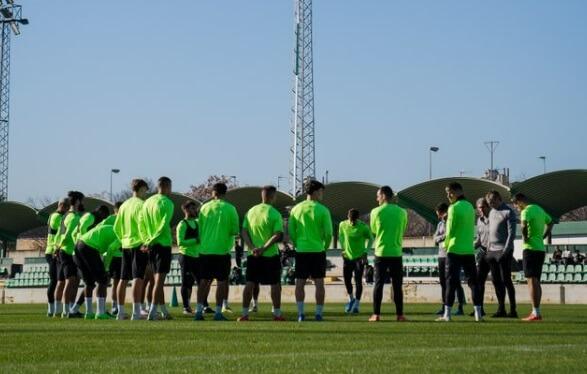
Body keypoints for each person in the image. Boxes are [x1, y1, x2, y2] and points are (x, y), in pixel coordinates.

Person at [436, 183, 483, 322]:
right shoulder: (469, 206)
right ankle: (478, 315)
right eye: (447, 193)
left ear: (458, 192)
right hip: (468, 250)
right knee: (473, 283)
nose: (448, 195)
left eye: (450, 192)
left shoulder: (453, 208)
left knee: (451, 282)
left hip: (454, 249)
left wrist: (445, 244)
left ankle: (447, 315)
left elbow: (450, 231)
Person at [237, 186, 285, 322]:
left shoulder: (251, 211)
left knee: (250, 283)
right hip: (270, 254)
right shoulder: (275, 213)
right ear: (273, 196)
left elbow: (244, 231)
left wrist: (252, 247)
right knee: (275, 284)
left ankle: (245, 314)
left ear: (262, 195)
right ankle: (276, 314)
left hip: (253, 255)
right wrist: (263, 248)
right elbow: (277, 234)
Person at [288, 180, 333, 322]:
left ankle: (301, 314)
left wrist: (297, 244)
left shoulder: (296, 209)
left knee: (300, 283)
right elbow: (329, 233)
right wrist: (324, 247)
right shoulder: (323, 210)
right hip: (318, 250)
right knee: (319, 283)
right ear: (314, 192)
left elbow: (291, 231)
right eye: (320, 191)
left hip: (301, 250)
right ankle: (318, 314)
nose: (322, 194)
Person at [194, 182, 239, 321]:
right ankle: (218, 312)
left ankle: (199, 312)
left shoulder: (203, 208)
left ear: (213, 193)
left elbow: (199, 229)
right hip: (222, 251)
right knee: (221, 282)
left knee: (203, 282)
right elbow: (234, 231)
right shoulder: (231, 209)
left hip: (205, 250)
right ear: (225, 193)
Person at [512, 193, 554, 321]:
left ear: (519, 202)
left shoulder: (526, 211)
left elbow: (523, 225)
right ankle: (537, 311)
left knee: (531, 280)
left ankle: (535, 313)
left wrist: (525, 238)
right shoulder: (539, 209)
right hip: (540, 249)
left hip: (530, 249)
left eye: (515, 205)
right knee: (536, 280)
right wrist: (545, 235)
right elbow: (551, 222)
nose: (516, 208)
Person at [369, 186, 408, 322]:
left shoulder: (375, 211)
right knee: (397, 285)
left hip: (381, 252)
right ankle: (400, 314)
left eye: (378, 195)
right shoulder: (402, 212)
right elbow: (403, 229)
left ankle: (376, 314)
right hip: (396, 252)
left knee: (378, 284)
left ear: (384, 195)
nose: (377, 198)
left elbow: (374, 230)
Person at [113, 179, 149, 320]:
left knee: (123, 278)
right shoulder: (142, 204)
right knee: (138, 278)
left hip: (126, 244)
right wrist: (145, 241)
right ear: (141, 188)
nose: (146, 192)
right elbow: (142, 224)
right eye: (146, 189)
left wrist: (123, 240)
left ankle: (120, 312)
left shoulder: (124, 205)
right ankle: (136, 311)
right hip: (138, 244)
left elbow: (116, 227)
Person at [140, 176, 175, 321]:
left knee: (155, 281)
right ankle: (153, 312)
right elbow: (163, 224)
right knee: (159, 280)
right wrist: (152, 240)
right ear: (167, 187)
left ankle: (164, 311)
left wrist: (145, 241)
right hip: (161, 245)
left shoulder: (147, 202)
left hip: (150, 245)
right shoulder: (167, 202)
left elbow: (141, 223)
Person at [70, 204, 111, 316]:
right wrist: (84, 242)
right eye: (104, 217)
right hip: (85, 249)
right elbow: (82, 230)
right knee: (101, 280)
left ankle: (77, 310)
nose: (103, 220)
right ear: (101, 213)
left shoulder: (87, 217)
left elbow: (74, 233)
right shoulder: (90, 217)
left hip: (79, 250)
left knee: (90, 283)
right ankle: (99, 311)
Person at [75, 222, 120, 320]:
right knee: (103, 280)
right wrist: (106, 269)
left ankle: (89, 313)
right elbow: (111, 249)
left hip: (79, 244)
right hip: (89, 247)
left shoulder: (111, 227)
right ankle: (100, 312)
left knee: (89, 282)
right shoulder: (122, 234)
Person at [485, 190, 518, 318]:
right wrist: (488, 247)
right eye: (489, 202)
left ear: (499, 199)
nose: (491, 204)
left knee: (506, 280)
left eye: (493, 201)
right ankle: (501, 308)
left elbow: (512, 233)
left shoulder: (508, 212)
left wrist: (506, 250)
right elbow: (489, 232)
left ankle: (513, 310)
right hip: (492, 250)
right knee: (496, 281)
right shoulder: (492, 212)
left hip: (503, 250)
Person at [55, 191, 85, 318]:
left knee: (71, 281)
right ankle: (66, 310)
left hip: (64, 251)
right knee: (70, 281)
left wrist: (57, 246)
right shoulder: (74, 218)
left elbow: (59, 233)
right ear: (77, 201)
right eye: (81, 201)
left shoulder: (66, 216)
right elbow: (68, 235)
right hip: (68, 252)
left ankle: (69, 309)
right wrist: (60, 246)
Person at [433, 203, 465, 316]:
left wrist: (444, 237)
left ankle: (460, 307)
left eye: (440, 214)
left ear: (445, 212)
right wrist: (443, 236)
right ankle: (444, 306)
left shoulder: (453, 221)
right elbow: (435, 238)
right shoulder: (440, 224)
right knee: (443, 282)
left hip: (452, 254)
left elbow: (454, 235)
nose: (439, 217)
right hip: (441, 256)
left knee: (455, 282)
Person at [338, 208, 372, 314]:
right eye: (350, 220)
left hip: (359, 258)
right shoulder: (342, 225)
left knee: (358, 281)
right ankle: (351, 299)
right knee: (347, 280)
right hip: (347, 258)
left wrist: (366, 252)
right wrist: (343, 249)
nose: (352, 222)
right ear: (348, 217)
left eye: (354, 220)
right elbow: (341, 237)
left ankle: (357, 304)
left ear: (357, 218)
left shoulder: (363, 227)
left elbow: (371, 238)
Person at [45, 198, 70, 317]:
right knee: (55, 280)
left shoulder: (53, 216)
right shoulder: (57, 217)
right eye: (66, 207)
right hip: (53, 251)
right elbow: (60, 234)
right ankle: (51, 308)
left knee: (56, 281)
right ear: (62, 206)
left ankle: (53, 309)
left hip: (53, 250)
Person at [176, 200, 200, 315]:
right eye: (192, 209)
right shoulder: (182, 224)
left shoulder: (196, 223)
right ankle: (186, 307)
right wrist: (195, 240)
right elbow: (180, 242)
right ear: (186, 210)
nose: (194, 211)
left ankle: (199, 306)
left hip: (196, 257)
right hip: (185, 256)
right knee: (186, 283)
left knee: (199, 282)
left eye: (195, 208)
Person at [102, 201, 123, 315]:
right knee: (107, 282)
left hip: (119, 255)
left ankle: (114, 306)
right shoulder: (110, 219)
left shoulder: (123, 219)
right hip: (110, 254)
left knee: (115, 282)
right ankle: (106, 306)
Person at [473, 198, 490, 317]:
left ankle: (503, 309)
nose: (481, 209)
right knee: (479, 281)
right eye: (479, 207)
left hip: (495, 252)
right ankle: (480, 308)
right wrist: (471, 246)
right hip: (483, 252)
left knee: (500, 281)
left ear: (488, 207)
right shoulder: (479, 221)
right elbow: (479, 239)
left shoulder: (494, 219)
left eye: (483, 207)